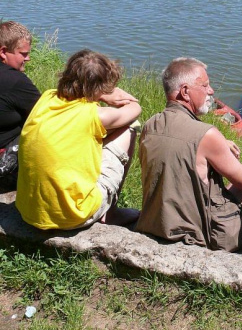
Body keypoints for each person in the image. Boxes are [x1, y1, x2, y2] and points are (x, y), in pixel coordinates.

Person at [135, 57, 242, 252]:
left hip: (154, 224)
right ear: (184, 92)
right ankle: (235, 229)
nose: (211, 91)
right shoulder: (207, 134)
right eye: (205, 85)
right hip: (198, 236)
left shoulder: (150, 124)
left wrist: (221, 143)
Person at [16, 49, 141, 230]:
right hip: (72, 215)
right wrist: (109, 94)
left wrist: (100, 93)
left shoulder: (47, 98)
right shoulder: (93, 116)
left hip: (29, 212)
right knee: (130, 127)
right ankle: (110, 212)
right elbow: (134, 110)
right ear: (100, 87)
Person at [0, 21, 40, 191]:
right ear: (3, 52)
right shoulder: (15, 81)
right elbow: (48, 112)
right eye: (23, 54)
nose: (28, 58)